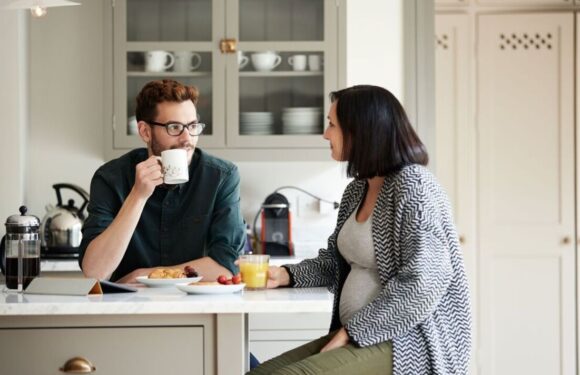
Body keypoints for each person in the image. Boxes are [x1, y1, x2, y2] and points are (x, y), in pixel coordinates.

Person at [251, 85, 471, 374]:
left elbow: (424, 282)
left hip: (407, 342)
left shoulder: (414, 187)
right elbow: (335, 262)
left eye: (332, 124)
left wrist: (354, 332)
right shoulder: (357, 190)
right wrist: (286, 275)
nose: (325, 134)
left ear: (360, 131)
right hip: (359, 334)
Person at [79, 79, 246, 283]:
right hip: (128, 307)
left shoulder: (221, 177)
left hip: (199, 307)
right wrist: (138, 196)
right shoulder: (110, 178)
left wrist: (147, 275)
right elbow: (94, 272)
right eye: (174, 127)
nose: (187, 139)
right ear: (145, 132)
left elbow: (227, 265)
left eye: (192, 126)